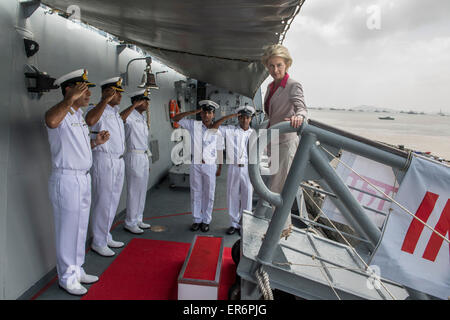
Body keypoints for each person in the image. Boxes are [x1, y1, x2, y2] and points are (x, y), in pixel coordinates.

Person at [45, 69, 110, 295]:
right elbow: (50, 120)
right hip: (67, 179)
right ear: (68, 90)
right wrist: (69, 100)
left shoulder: (78, 118)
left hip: (82, 178)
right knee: (68, 229)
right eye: (83, 89)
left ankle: (77, 268)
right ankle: (66, 276)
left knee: (81, 226)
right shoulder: (60, 115)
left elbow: (77, 149)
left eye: (88, 89)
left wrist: (96, 143)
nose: (88, 94)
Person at [261, 44, 308, 228]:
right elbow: (270, 114)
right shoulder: (270, 86)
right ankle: (282, 226)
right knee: (275, 185)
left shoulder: (292, 85)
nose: (275, 70)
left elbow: (302, 108)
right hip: (273, 142)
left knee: (277, 188)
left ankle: (282, 227)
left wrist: (299, 117)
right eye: (271, 66)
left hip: (285, 142)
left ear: (287, 64)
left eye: (279, 65)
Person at [85, 77, 126, 257]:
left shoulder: (115, 112)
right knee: (103, 201)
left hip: (118, 160)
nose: (120, 96)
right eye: (117, 92)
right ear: (108, 92)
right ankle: (98, 241)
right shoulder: (97, 108)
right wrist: (104, 100)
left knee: (113, 199)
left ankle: (105, 234)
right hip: (104, 158)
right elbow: (90, 120)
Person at [172, 100, 223, 233]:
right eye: (204, 112)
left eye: (209, 112)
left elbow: (219, 149)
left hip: (210, 165)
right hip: (196, 164)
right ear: (201, 114)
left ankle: (206, 220)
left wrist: (220, 167)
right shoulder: (193, 125)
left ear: (213, 115)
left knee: (209, 193)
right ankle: (196, 220)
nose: (206, 115)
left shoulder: (217, 130)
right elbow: (175, 118)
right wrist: (193, 112)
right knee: (196, 192)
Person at [212, 106, 255, 235]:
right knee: (232, 196)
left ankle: (245, 226)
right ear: (238, 117)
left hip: (248, 169)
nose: (244, 120)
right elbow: (214, 127)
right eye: (241, 117)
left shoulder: (254, 133)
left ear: (250, 118)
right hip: (233, 168)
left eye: (247, 117)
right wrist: (229, 117)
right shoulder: (230, 130)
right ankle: (233, 224)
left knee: (247, 197)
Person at [120, 89, 152, 234]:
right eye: (143, 100)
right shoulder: (130, 115)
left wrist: (148, 158)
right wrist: (133, 106)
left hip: (143, 156)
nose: (146, 103)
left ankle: (138, 218)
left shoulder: (142, 117)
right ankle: (130, 221)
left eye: (146, 101)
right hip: (133, 155)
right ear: (136, 101)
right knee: (134, 190)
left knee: (142, 189)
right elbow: (120, 118)